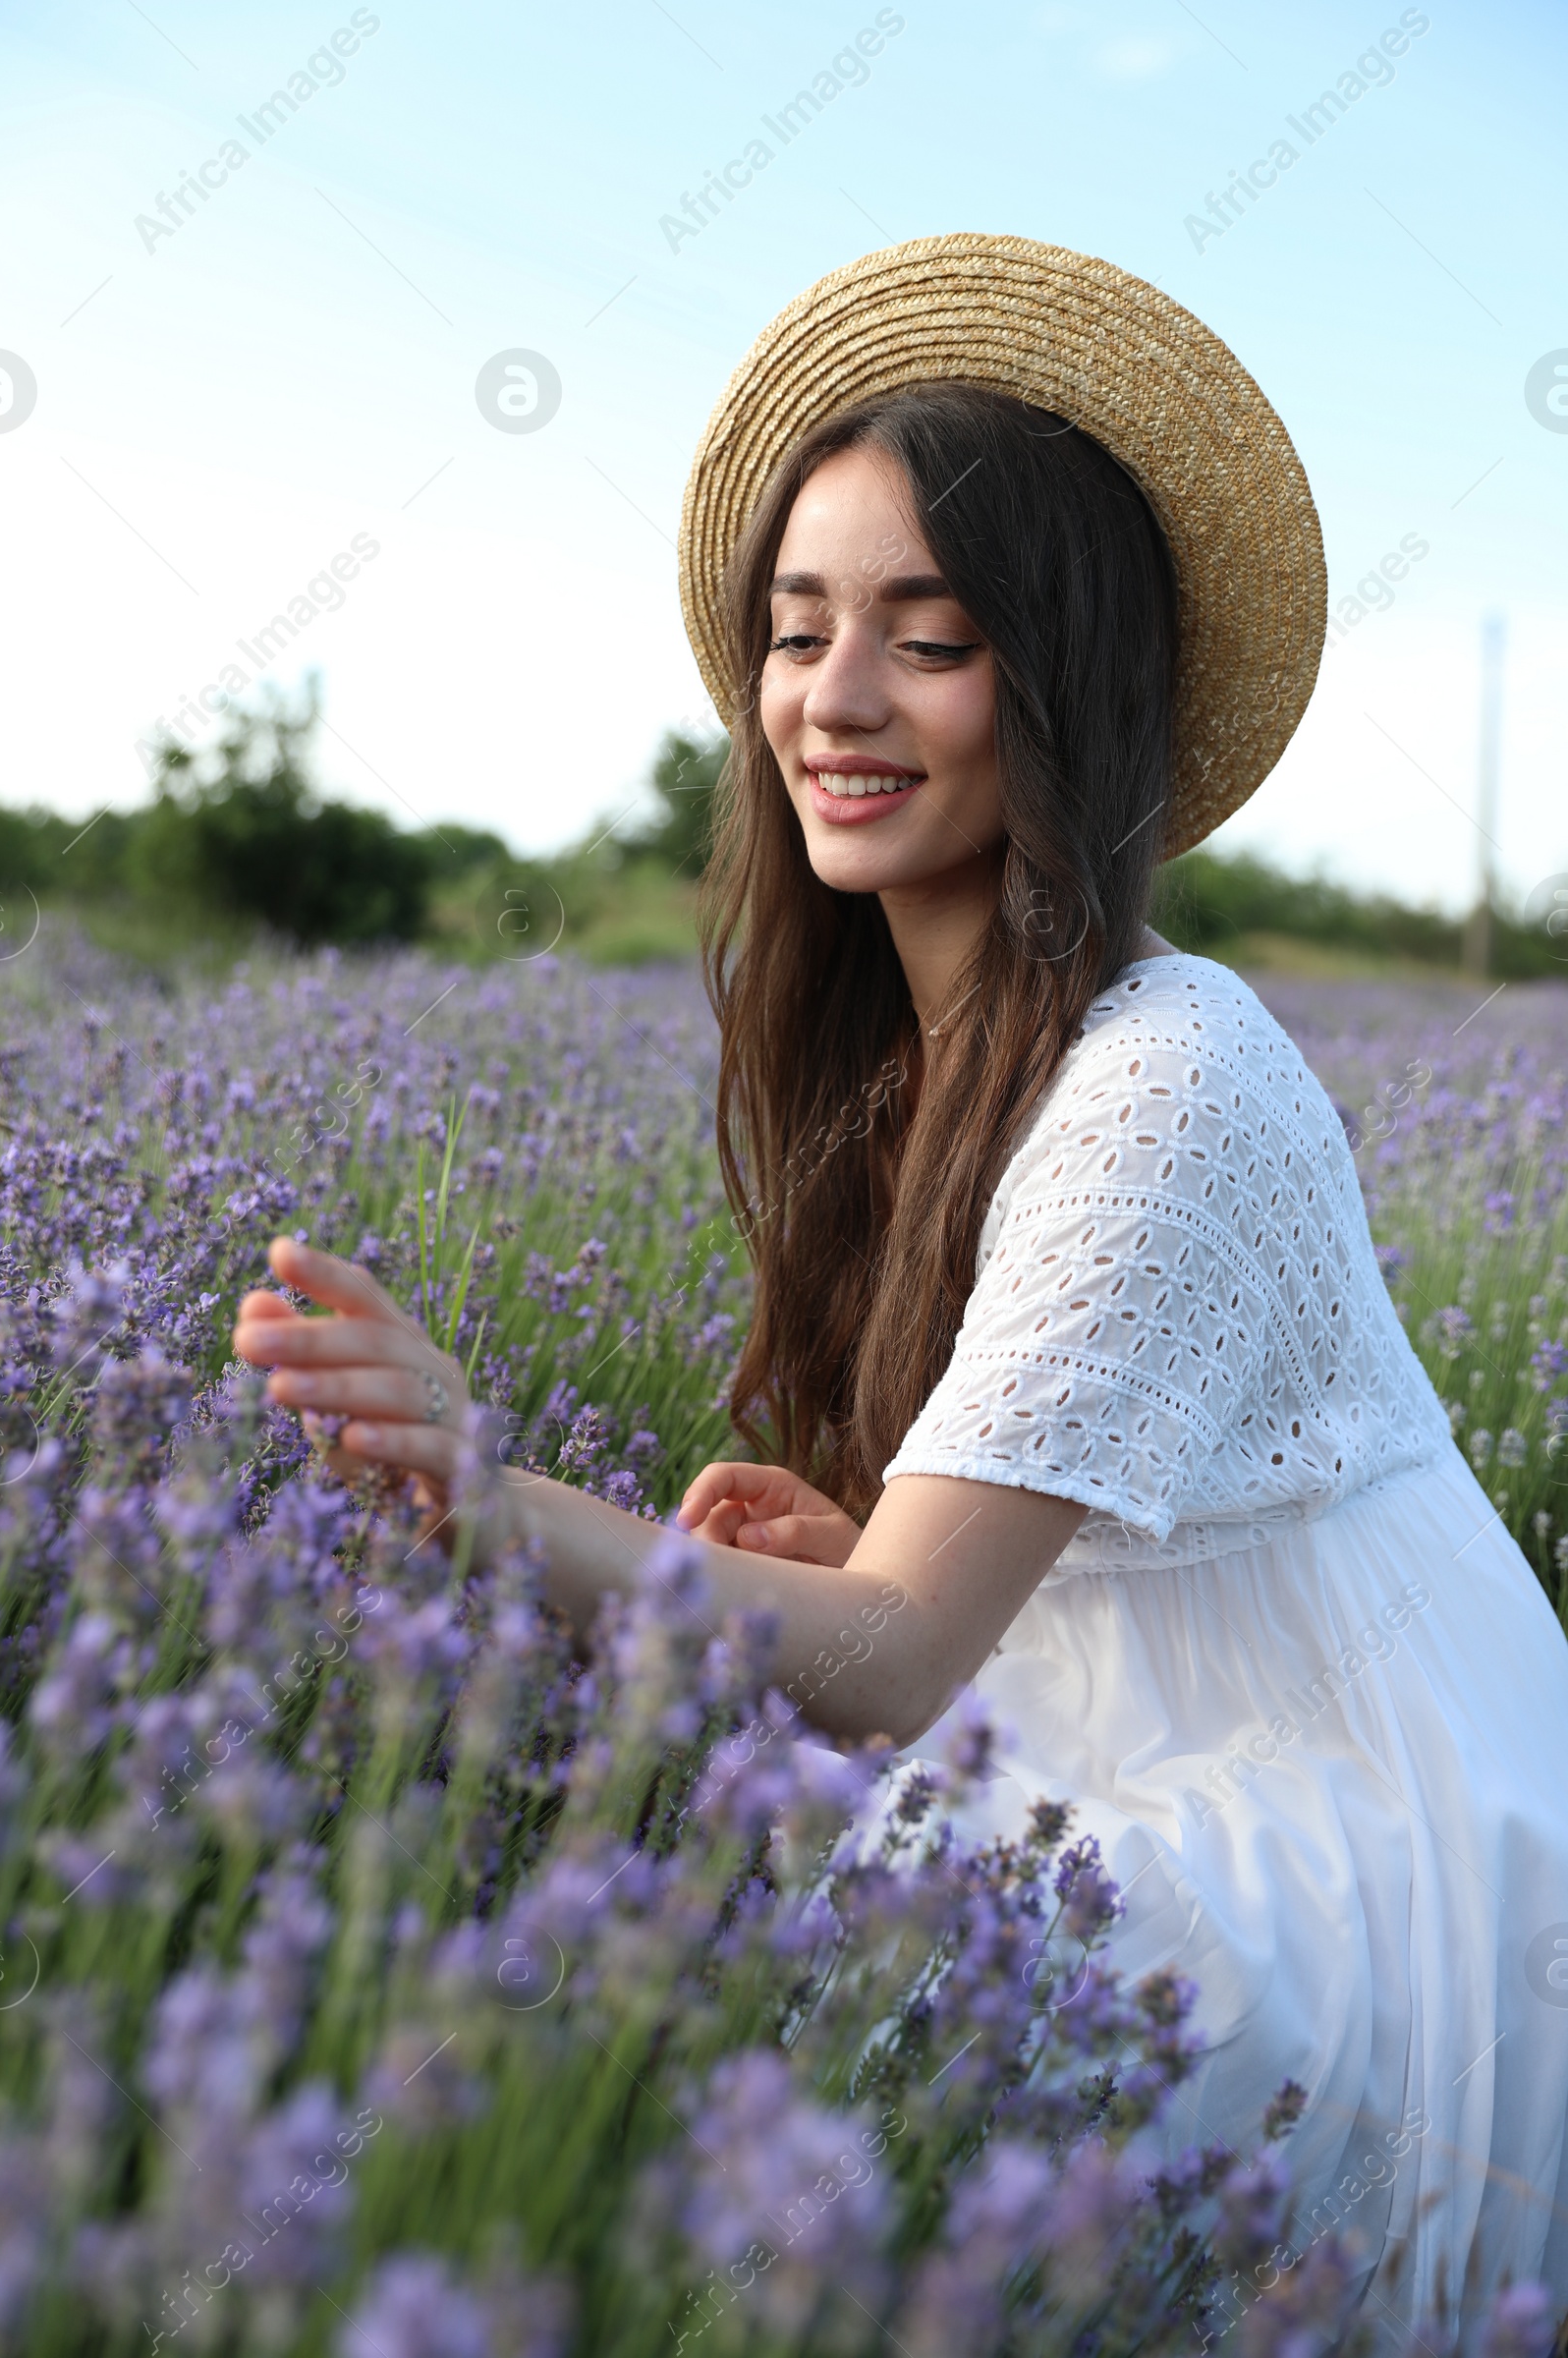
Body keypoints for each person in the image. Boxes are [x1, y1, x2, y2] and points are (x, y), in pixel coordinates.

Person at [233, 236, 1568, 2336]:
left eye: (925, 642)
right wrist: (885, 1536)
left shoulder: (1167, 1075)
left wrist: (491, 1497)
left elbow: (878, 1668)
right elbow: (1008, 1568)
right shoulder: (913, 1058)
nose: (829, 703)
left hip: (1352, 1833)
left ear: (1059, 690)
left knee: (887, 2042)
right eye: (795, 633)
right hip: (1146, 1730)